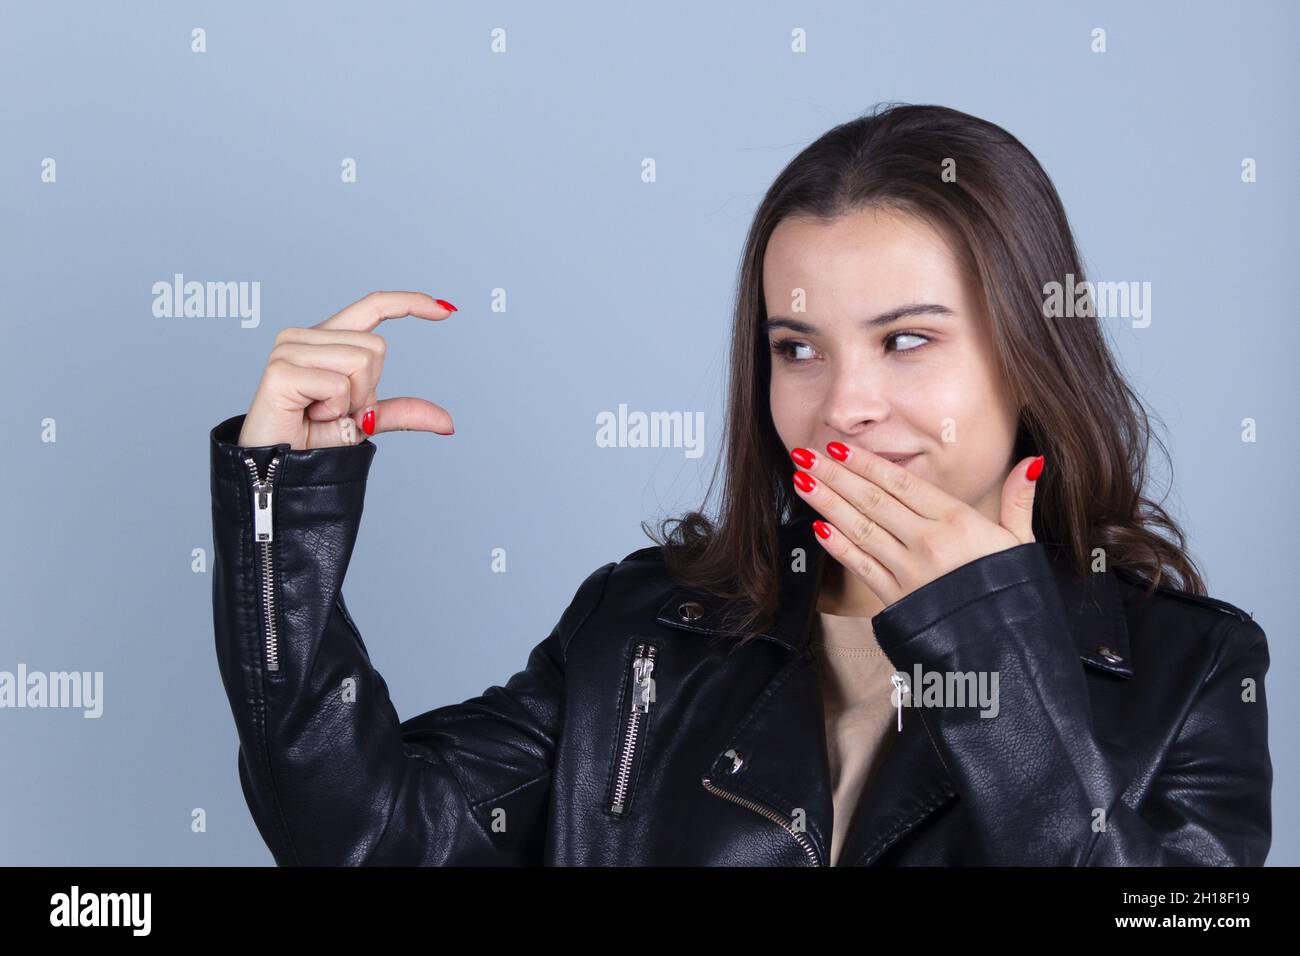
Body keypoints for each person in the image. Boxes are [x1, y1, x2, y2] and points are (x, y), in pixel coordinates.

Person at [209, 103, 1272, 866]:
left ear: (1026, 354)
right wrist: (279, 506)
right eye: (798, 348)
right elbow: (366, 835)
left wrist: (986, 644)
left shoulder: (1189, 668)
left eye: (906, 339)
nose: (844, 402)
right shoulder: (643, 625)